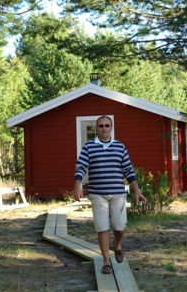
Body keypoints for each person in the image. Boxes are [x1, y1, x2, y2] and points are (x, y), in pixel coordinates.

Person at [74, 115, 147, 274]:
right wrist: (76, 187)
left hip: (118, 195)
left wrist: (137, 191)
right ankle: (106, 261)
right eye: (101, 126)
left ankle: (118, 244)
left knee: (119, 227)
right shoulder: (89, 147)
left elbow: (129, 171)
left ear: (111, 128)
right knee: (102, 228)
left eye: (107, 125)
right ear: (97, 128)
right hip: (97, 194)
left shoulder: (120, 147)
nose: (104, 128)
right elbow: (80, 167)